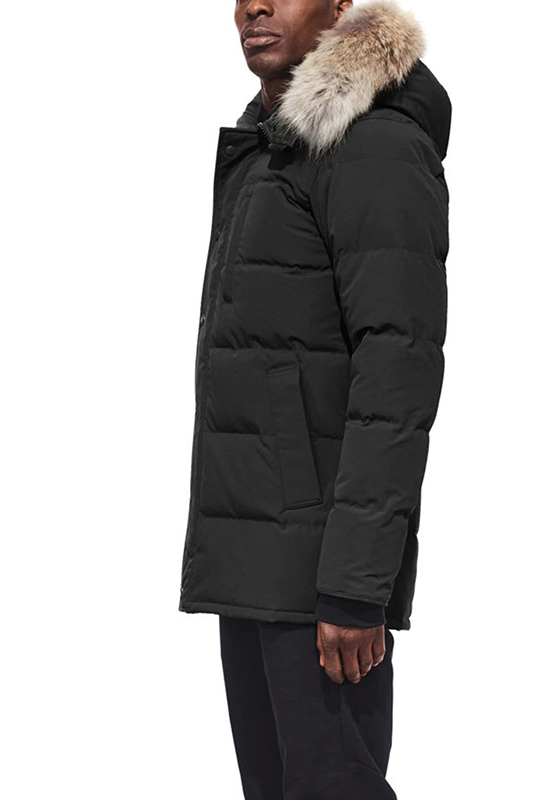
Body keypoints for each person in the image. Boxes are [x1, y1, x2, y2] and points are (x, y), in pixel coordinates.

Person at [179, 0, 451, 796]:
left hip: (322, 580)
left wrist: (356, 587)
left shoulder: (373, 146)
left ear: (338, 6)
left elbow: (397, 377)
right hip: (256, 560)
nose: (253, 7)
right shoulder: (270, 147)